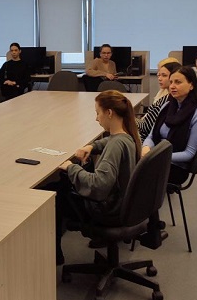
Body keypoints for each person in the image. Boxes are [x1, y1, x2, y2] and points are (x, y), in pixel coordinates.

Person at [54, 90, 141, 264]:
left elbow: (99, 185)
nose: (96, 118)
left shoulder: (116, 145)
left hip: (108, 211)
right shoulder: (128, 136)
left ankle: (55, 255)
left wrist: (71, 167)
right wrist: (92, 147)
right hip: (125, 205)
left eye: (97, 113)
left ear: (109, 113)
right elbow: (110, 141)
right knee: (64, 184)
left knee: (54, 196)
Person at [142, 66, 197, 185]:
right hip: (157, 157)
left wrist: (156, 156)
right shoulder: (167, 106)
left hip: (176, 167)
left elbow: (189, 154)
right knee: (125, 163)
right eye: (171, 82)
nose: (172, 86)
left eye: (178, 82)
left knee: (129, 172)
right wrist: (146, 147)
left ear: (191, 85)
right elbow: (151, 136)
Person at [138, 59, 181, 141]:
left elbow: (146, 127)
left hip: (144, 138)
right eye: (158, 75)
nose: (159, 78)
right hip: (147, 137)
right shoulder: (164, 95)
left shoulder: (169, 101)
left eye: (164, 75)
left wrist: (129, 119)